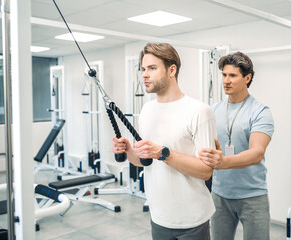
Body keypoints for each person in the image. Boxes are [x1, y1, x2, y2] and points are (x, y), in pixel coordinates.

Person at [112, 42, 216, 240]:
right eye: (143, 69)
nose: (144, 74)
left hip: (192, 219)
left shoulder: (199, 111)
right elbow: (144, 161)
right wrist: (128, 151)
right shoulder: (147, 110)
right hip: (159, 216)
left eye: (152, 68)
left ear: (172, 70)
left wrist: (163, 153)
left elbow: (205, 171)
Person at [199, 52, 274, 240]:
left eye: (232, 75)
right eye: (224, 75)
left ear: (247, 78)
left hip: (253, 196)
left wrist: (222, 161)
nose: (226, 80)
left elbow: (256, 153)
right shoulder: (213, 110)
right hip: (219, 194)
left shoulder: (260, 112)